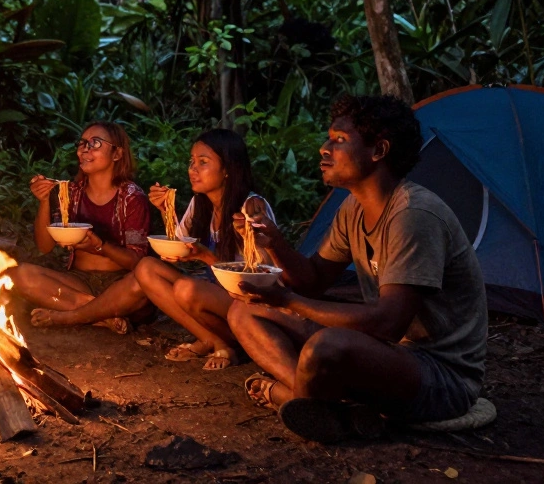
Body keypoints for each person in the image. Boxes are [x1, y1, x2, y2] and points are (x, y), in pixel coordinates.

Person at [227, 95, 488, 443]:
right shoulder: (354, 207)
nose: (324, 149)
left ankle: (295, 398)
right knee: (244, 310)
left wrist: (287, 300)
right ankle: (308, 397)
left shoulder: (413, 215)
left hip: (439, 376)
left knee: (326, 345)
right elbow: (314, 280)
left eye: (338, 141)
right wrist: (272, 242)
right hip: (385, 353)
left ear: (378, 151)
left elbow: (388, 324)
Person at [135, 129, 277, 370]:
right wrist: (164, 210)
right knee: (146, 268)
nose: (193, 168)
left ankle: (233, 345)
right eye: (192, 162)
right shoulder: (200, 203)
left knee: (187, 289)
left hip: (253, 305)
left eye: (203, 162)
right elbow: (179, 246)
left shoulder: (252, 207)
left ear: (228, 169)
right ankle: (216, 341)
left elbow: (257, 278)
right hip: (219, 296)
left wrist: (204, 255)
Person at [5, 121, 151, 335]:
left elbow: (137, 261)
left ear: (117, 154)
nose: (85, 148)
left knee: (142, 284)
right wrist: (45, 201)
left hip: (120, 284)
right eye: (82, 143)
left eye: (95, 143)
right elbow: (44, 246)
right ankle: (102, 314)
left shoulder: (132, 197)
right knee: (19, 274)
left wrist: (99, 246)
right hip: (79, 281)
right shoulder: (71, 194)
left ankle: (69, 315)